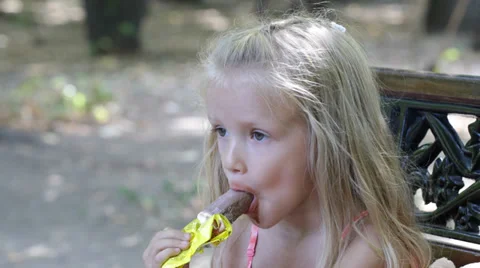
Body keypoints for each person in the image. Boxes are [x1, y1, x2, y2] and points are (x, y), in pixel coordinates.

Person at [143, 13, 432, 268]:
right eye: (221, 131)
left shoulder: (369, 249)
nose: (230, 161)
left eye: (258, 135)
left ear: (329, 138)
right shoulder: (239, 237)